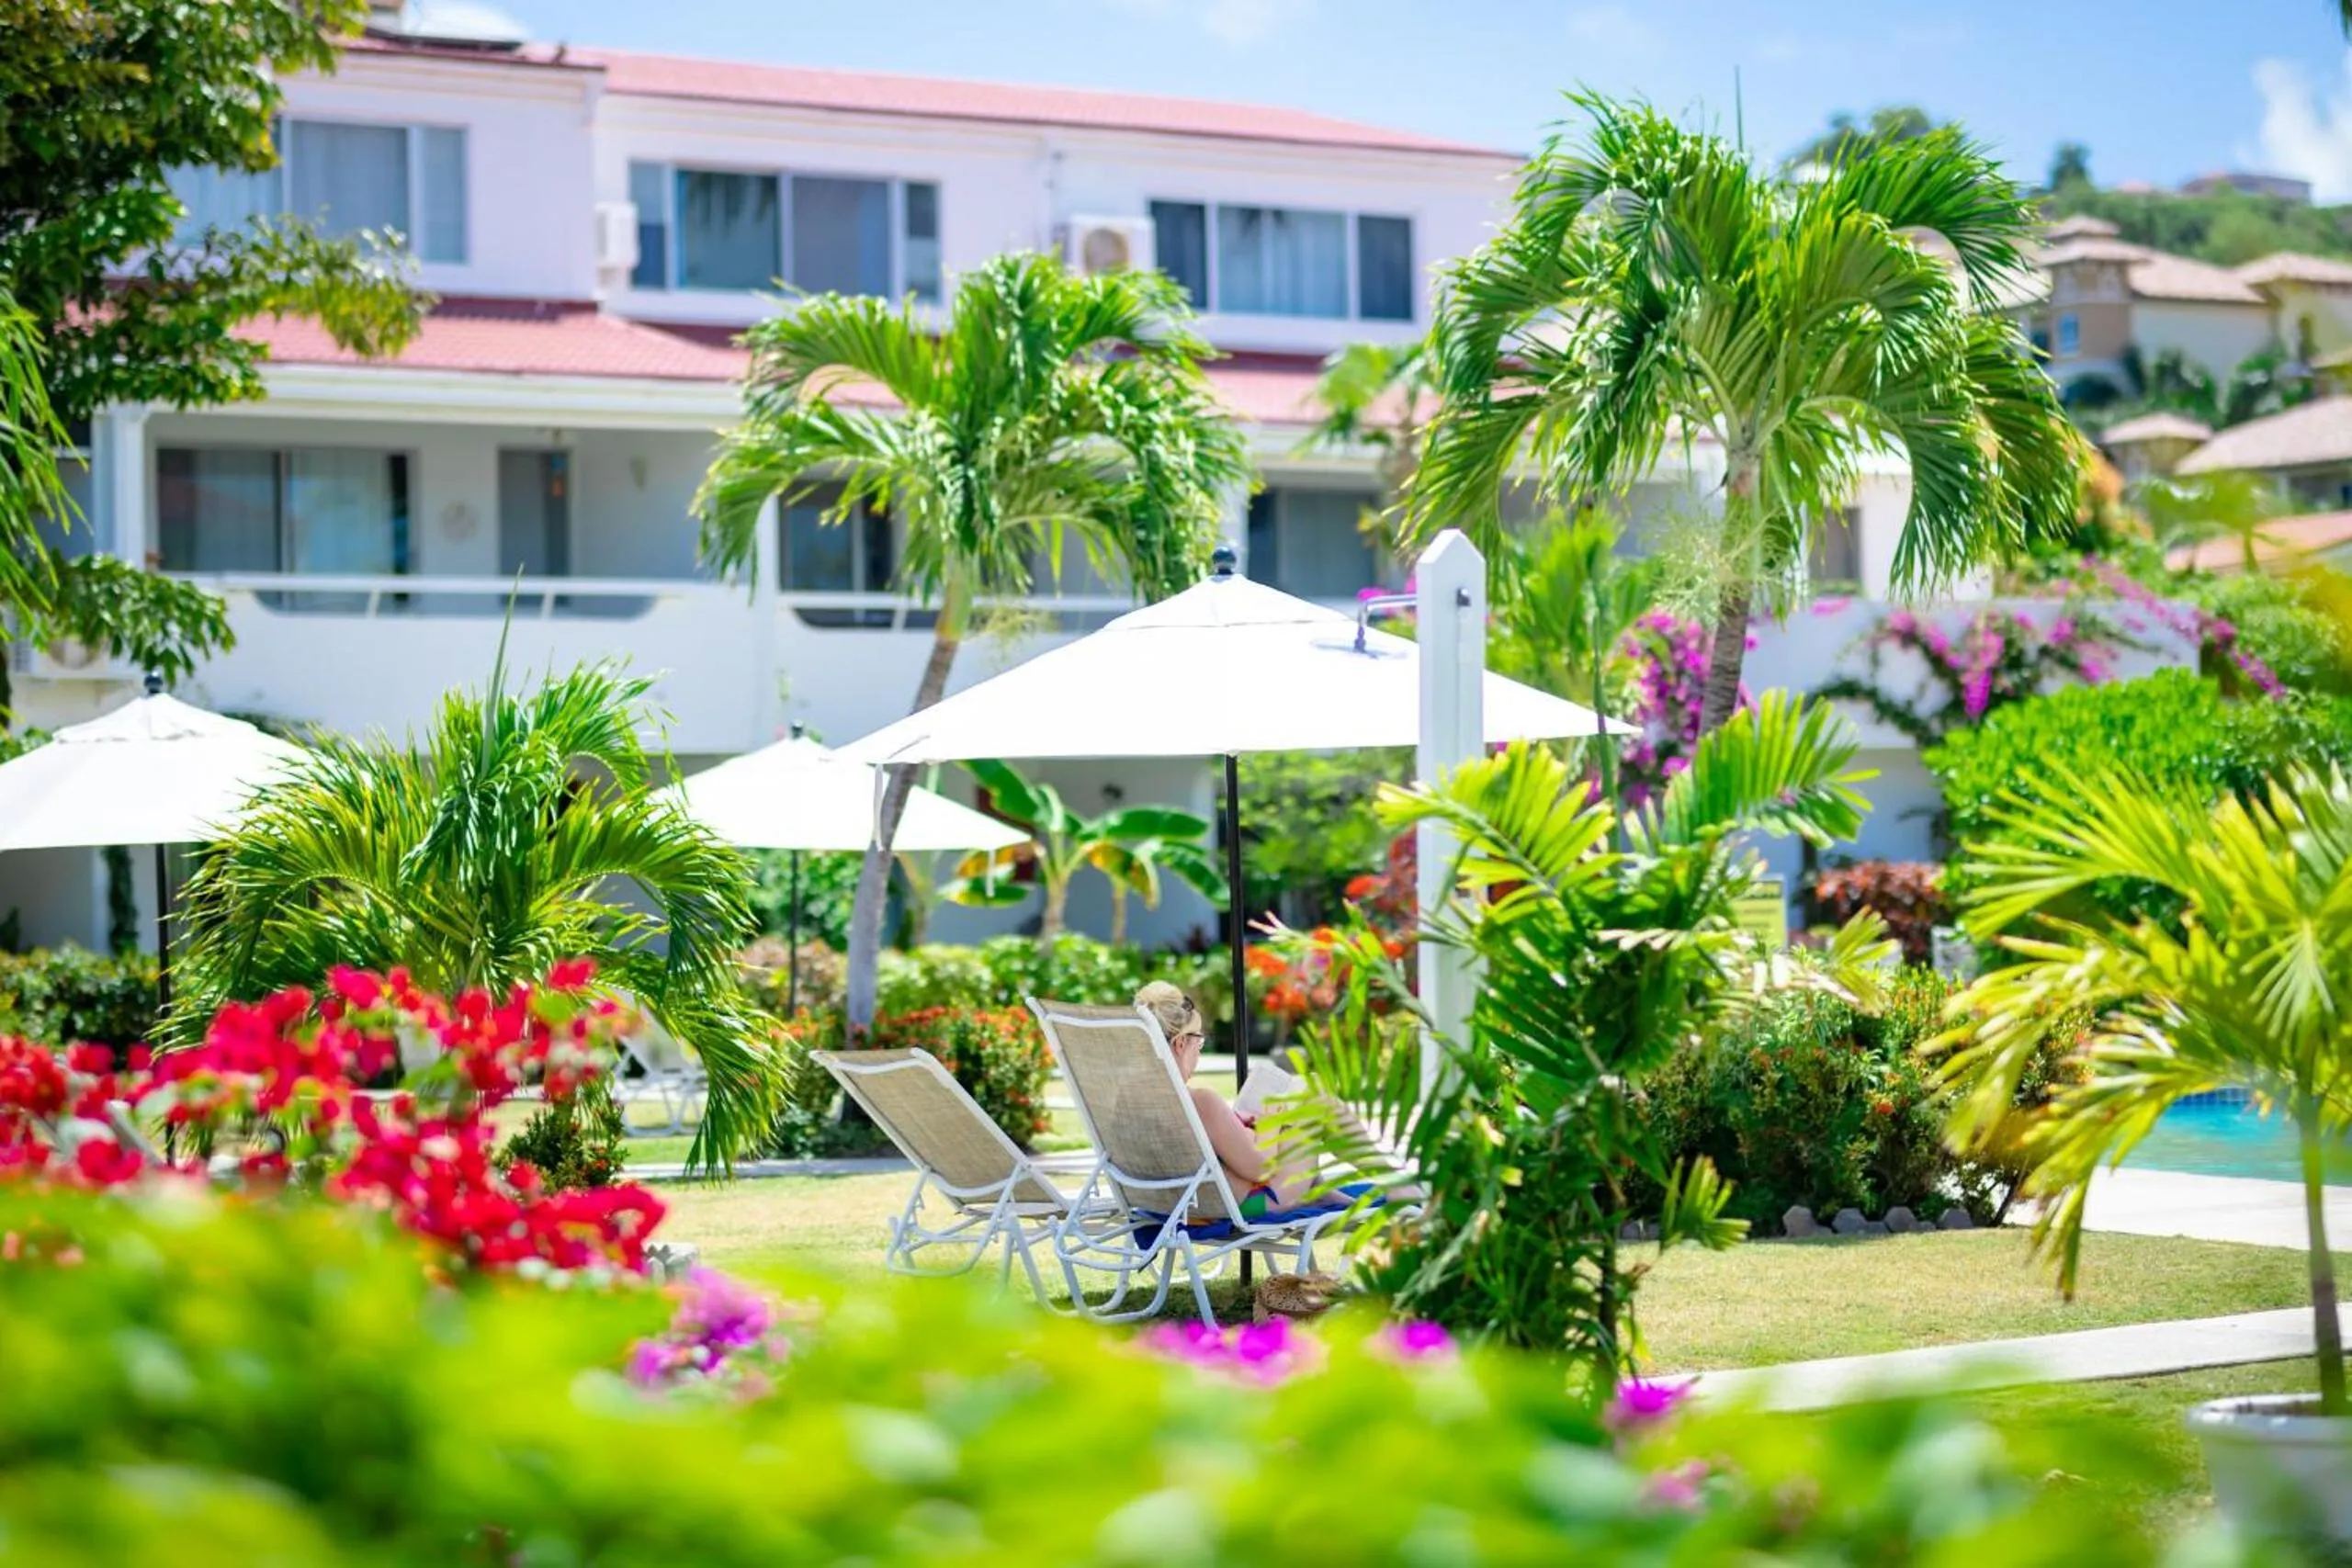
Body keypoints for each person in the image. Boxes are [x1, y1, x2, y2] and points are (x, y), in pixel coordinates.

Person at [1135, 980, 1355, 1220]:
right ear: (1179, 1043)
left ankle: (1320, 1190)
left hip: (1181, 1206)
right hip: (1257, 1204)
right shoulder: (1201, 1101)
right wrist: (1271, 1122)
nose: (1199, 1050)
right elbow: (1261, 1169)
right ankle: (1393, 1182)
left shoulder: (1130, 1102)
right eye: (1199, 1041)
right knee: (1315, 1095)